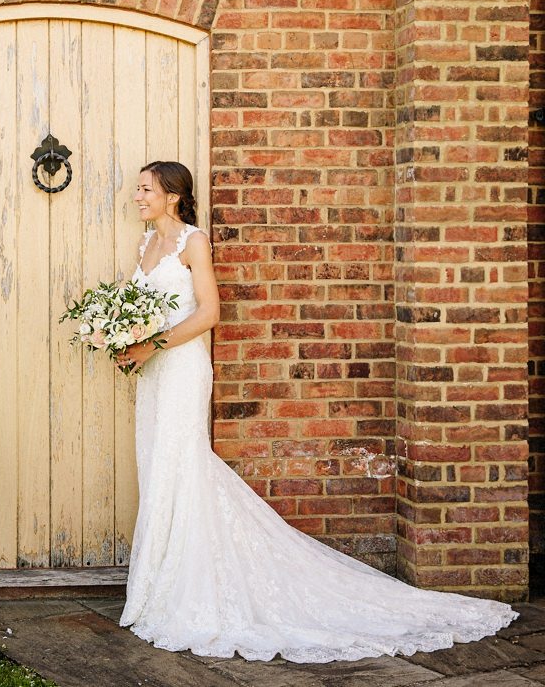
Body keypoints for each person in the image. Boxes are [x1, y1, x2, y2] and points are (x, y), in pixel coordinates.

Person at [113, 160, 517, 662]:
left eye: (145, 189)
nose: (137, 196)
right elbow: (140, 307)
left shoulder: (193, 242)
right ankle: (158, 587)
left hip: (181, 369)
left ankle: (192, 591)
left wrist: (152, 344)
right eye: (137, 189)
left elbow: (209, 312)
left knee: (183, 466)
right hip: (154, 375)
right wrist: (123, 338)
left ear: (172, 195)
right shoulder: (144, 244)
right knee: (158, 467)